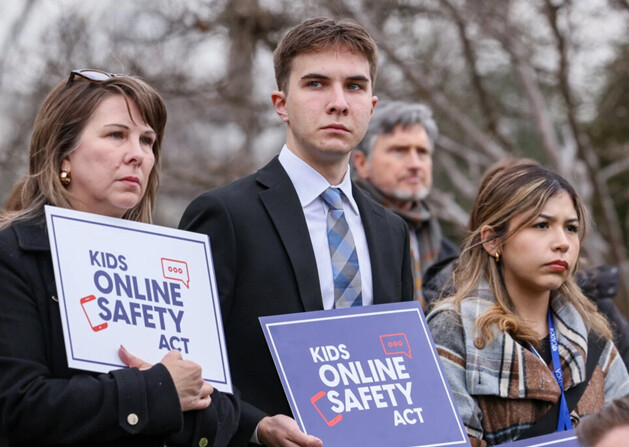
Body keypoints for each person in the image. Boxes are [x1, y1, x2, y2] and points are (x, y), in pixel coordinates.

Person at [0, 70, 239, 447]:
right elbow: (21, 408)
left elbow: (221, 414)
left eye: (147, 141)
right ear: (63, 155)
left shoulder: (174, 263)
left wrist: (185, 398)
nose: (137, 155)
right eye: (116, 135)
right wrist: (154, 388)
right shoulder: (7, 258)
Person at [179, 17, 413, 447]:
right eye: (317, 84)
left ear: (372, 107)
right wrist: (255, 425)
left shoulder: (391, 231)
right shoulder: (224, 214)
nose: (339, 102)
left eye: (355, 86)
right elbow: (189, 363)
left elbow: (398, 362)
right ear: (281, 103)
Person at [426, 161, 629, 446]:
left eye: (571, 228)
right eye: (541, 225)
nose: (562, 242)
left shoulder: (591, 329)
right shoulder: (454, 328)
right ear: (492, 241)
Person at [352, 100, 459, 309]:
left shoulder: (448, 252)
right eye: (399, 150)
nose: (415, 164)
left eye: (422, 152)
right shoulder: (342, 232)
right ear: (362, 163)